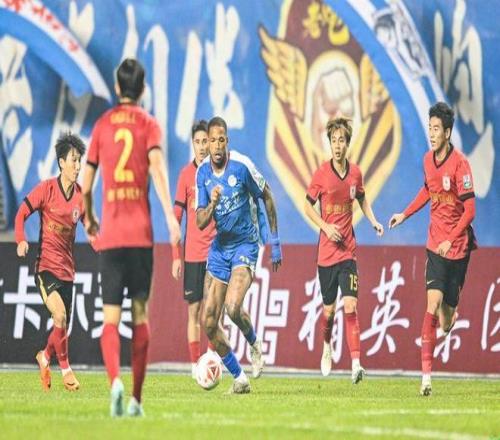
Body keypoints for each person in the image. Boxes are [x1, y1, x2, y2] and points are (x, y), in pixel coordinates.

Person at [82, 58, 180, 417]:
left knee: (110, 319)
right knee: (140, 315)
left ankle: (115, 383)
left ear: (116, 86)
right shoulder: (149, 125)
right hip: (140, 236)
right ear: (143, 88)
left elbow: (86, 186)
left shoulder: (102, 125)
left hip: (111, 236)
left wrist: (90, 217)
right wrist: (170, 215)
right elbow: (157, 168)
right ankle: (136, 400)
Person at [389, 102, 476, 396]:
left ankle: (450, 318)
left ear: (448, 133)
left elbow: (470, 211)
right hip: (435, 246)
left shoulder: (461, 164)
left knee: (446, 318)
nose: (432, 133)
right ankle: (426, 378)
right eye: (430, 128)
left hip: (458, 248)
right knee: (432, 304)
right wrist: (404, 214)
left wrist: (452, 238)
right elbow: (428, 189)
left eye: (436, 129)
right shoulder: (428, 161)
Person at [196, 116, 282, 394]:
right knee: (209, 322)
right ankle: (240, 377)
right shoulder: (202, 174)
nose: (216, 145)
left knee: (233, 307)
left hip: (245, 244)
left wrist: (274, 241)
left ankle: (254, 343)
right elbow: (199, 221)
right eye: (212, 140)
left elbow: (267, 194)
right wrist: (212, 204)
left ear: (227, 142)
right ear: (208, 144)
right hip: (220, 247)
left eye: (221, 140)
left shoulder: (242, 166)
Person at [304, 117, 384, 384]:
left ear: (348, 144)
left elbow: (362, 198)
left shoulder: (355, 174)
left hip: (348, 252)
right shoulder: (321, 174)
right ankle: (326, 345)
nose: (337, 146)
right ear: (329, 144)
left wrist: (373, 221)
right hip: (326, 255)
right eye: (334, 141)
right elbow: (307, 207)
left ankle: (356, 364)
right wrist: (326, 227)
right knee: (329, 312)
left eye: (342, 141)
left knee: (350, 306)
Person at [15, 132, 86, 392]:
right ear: (61, 163)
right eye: (73, 160)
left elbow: (93, 229)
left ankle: (45, 357)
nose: (78, 166)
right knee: (60, 314)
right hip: (46, 268)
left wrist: (104, 244)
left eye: (79, 161)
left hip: (68, 272)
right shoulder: (46, 189)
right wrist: (21, 240)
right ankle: (66, 370)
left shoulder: (81, 197)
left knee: (61, 325)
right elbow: (21, 214)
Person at [171, 120, 216, 378]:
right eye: (197, 142)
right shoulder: (186, 175)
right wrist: (175, 256)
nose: (201, 146)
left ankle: (211, 360)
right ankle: (194, 365)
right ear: (193, 144)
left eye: (205, 141)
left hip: (216, 255)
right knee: (194, 312)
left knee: (213, 311)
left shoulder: (218, 173)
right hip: (192, 255)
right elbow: (176, 218)